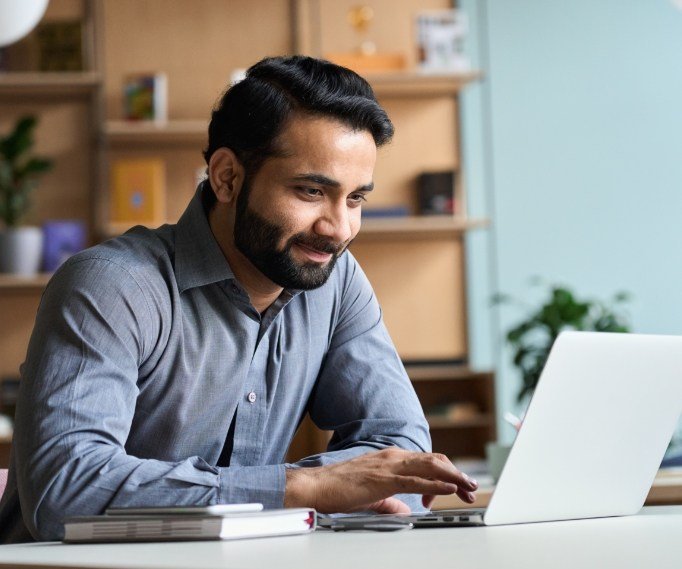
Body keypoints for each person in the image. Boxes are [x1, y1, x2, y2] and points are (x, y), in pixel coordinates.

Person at [0, 55, 477, 543]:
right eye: (312, 191)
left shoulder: (335, 281)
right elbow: (65, 491)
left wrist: (324, 488)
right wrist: (304, 487)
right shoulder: (111, 285)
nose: (339, 229)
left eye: (355, 199)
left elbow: (403, 449)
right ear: (226, 177)